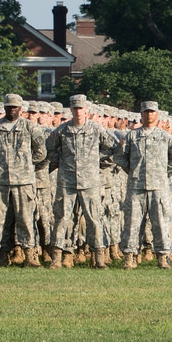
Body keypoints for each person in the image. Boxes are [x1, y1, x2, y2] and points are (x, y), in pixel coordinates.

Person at [48, 94, 122, 267]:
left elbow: (114, 148)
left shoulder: (96, 129)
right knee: (62, 218)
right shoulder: (62, 130)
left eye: (81, 108)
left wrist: (97, 160)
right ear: (71, 110)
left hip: (90, 182)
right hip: (67, 181)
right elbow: (49, 148)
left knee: (94, 219)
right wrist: (61, 162)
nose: (78, 111)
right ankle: (58, 256)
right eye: (75, 108)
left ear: (86, 110)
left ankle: (98, 257)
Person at [0, 93, 49, 267]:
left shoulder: (30, 128)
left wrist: (25, 164)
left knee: (25, 219)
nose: (11, 110)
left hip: (24, 181)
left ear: (20, 109)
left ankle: (29, 256)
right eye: (9, 107)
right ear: (4, 108)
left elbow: (41, 152)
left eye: (15, 107)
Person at [121, 101, 172, 269]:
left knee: (160, 223)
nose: (149, 115)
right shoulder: (132, 136)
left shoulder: (165, 137)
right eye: (146, 112)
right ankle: (130, 257)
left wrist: (164, 172)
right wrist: (132, 171)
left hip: (158, 187)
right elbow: (120, 156)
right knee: (132, 223)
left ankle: (162, 256)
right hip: (136, 187)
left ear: (157, 114)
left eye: (152, 112)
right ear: (141, 114)